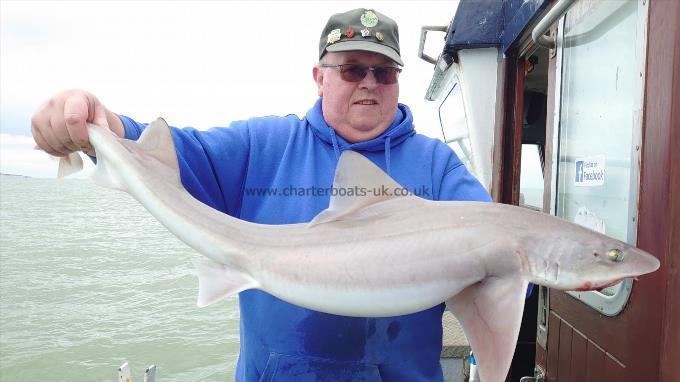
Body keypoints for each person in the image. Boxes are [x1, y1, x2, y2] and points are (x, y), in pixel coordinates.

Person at [31, 8, 491, 381]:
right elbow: (172, 153)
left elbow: (502, 251)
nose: (368, 82)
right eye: (352, 69)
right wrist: (102, 128)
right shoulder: (263, 146)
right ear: (320, 77)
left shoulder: (437, 166)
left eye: (383, 71)